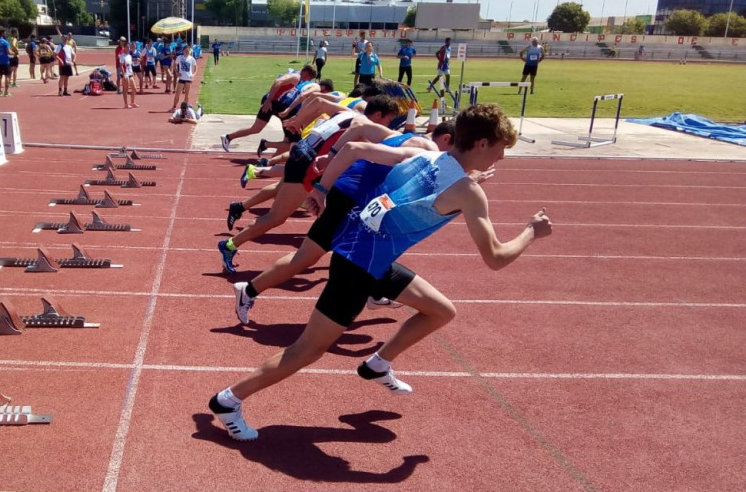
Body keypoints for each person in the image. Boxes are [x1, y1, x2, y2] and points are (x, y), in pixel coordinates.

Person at [207, 103, 553, 441]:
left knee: (440, 311)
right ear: (481, 144)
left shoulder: (426, 155)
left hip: (364, 253)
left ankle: (377, 364)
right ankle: (228, 400)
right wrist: (531, 232)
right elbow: (495, 257)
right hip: (360, 267)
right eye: (500, 150)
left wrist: (323, 189)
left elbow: (359, 151)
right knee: (305, 351)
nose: (502, 158)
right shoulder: (468, 192)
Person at [232, 122, 461, 325]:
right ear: (446, 140)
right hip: (349, 199)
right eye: (455, 153)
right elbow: (354, 148)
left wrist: (330, 160)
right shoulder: (427, 150)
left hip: (352, 198)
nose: (452, 161)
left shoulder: (395, 134)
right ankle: (249, 290)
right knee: (307, 257)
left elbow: (358, 127)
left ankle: (373, 292)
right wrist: (321, 190)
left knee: (362, 251)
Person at [217, 94, 401, 274]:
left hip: (302, 156)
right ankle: (229, 245)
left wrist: (298, 121)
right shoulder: (365, 126)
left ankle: (343, 252)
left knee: (337, 211)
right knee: (276, 217)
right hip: (305, 167)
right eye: (388, 120)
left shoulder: (349, 113)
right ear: (378, 115)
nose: (387, 125)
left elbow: (319, 101)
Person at [220, 64, 318, 152]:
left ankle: (228, 137)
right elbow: (278, 81)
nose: (307, 80)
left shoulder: (298, 77)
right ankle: (274, 156)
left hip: (276, 104)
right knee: (287, 131)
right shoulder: (296, 77)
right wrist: (269, 100)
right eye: (309, 77)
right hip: (272, 103)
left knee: (256, 129)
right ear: (306, 72)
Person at [171, 44, 197, 111]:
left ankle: (185, 108)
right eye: (185, 50)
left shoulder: (191, 58)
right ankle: (174, 107)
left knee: (186, 94)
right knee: (177, 93)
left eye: (188, 51)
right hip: (181, 78)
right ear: (183, 51)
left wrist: (194, 74)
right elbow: (174, 65)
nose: (187, 52)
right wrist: (176, 72)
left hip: (188, 78)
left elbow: (195, 67)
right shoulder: (180, 57)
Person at [0, 28, 12, 97]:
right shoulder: (5, 42)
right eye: (5, 33)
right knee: (7, 76)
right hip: (5, 61)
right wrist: (14, 53)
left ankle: (0, 91)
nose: (5, 34)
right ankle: (6, 92)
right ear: (2, 33)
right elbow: (9, 52)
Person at [119, 43, 138, 108]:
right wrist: (124, 74)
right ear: (124, 48)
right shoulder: (122, 56)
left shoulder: (129, 56)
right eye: (126, 47)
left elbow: (130, 65)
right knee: (125, 89)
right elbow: (121, 65)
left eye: (129, 47)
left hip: (130, 74)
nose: (128, 48)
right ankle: (126, 104)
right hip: (125, 75)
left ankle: (132, 102)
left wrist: (132, 72)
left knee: (134, 89)